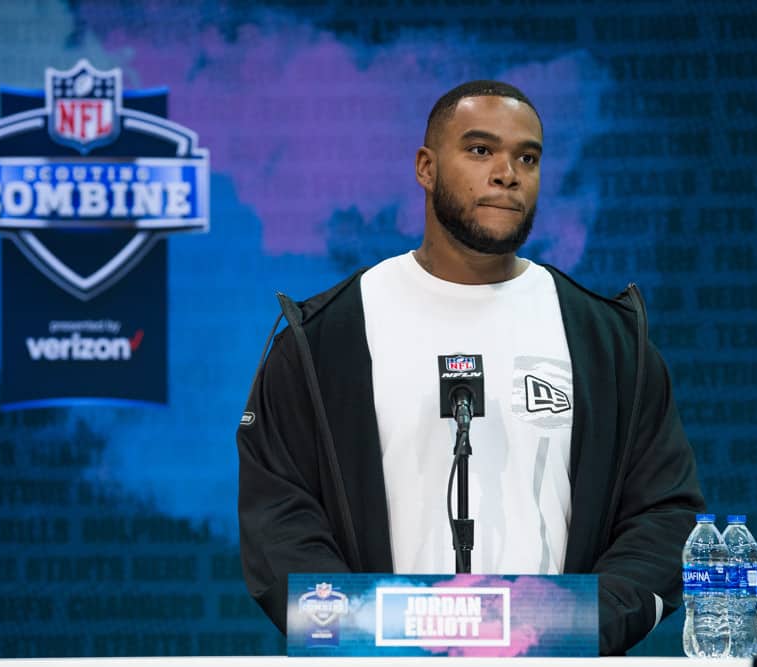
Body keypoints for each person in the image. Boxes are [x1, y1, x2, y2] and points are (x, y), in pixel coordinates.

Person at [236, 80, 705, 655]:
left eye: (526, 157)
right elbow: (278, 521)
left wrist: (575, 627)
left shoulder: (607, 342)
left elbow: (663, 515)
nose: (507, 172)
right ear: (426, 167)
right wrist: (368, 637)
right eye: (481, 150)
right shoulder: (325, 341)